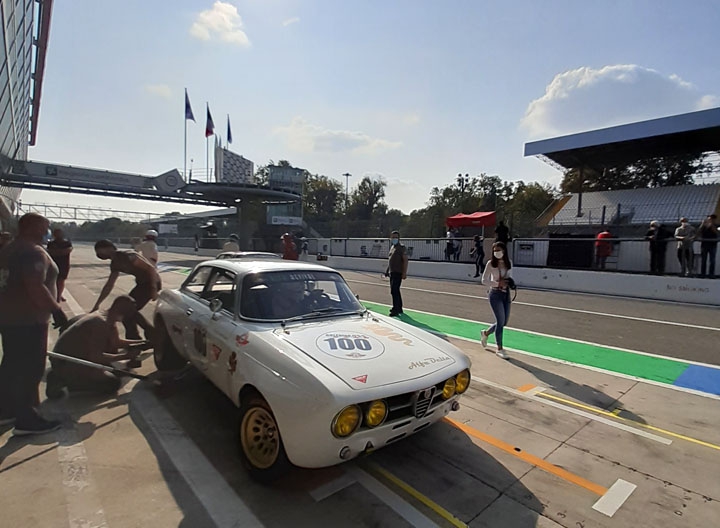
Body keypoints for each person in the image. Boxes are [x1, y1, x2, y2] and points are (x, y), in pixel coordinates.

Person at [0, 213, 67, 435]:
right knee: (30, 369)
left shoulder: (9, 249)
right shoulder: (32, 252)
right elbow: (35, 285)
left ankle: (6, 410)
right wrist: (56, 310)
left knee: (11, 365)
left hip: (9, 317)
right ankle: (27, 419)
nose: (47, 231)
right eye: (45, 226)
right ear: (33, 226)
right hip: (29, 318)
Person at [46, 296, 146, 397]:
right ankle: (63, 380)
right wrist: (126, 356)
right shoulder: (100, 323)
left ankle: (71, 375)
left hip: (77, 356)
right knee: (112, 383)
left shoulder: (108, 317)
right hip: (65, 362)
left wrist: (142, 343)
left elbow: (116, 342)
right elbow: (96, 357)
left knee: (115, 370)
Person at [92, 239, 161, 342]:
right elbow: (109, 285)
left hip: (152, 282)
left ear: (108, 248)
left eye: (99, 250)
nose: (99, 254)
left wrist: (153, 289)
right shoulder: (115, 264)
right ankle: (136, 338)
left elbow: (151, 269)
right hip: (141, 285)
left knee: (128, 310)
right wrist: (97, 304)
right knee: (127, 312)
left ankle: (151, 334)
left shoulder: (128, 255)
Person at [480, 241, 512, 359]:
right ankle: (499, 348)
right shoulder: (490, 263)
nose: (497, 252)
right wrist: (497, 283)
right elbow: (484, 280)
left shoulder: (509, 263)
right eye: (495, 250)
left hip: (506, 294)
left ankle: (486, 333)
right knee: (500, 321)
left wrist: (510, 283)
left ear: (504, 251)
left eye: (499, 250)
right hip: (495, 294)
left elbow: (510, 277)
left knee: (504, 322)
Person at [385, 230, 408, 317]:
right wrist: (387, 270)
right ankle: (399, 308)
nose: (394, 239)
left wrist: (404, 272)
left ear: (399, 238)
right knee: (395, 291)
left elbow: (405, 260)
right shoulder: (392, 247)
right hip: (392, 272)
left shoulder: (401, 248)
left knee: (394, 290)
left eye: (396, 237)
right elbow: (390, 260)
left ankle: (395, 309)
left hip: (398, 272)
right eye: (393, 237)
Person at [47, 228, 73, 301]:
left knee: (61, 281)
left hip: (63, 264)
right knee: (54, 280)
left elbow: (68, 250)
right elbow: (50, 252)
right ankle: (56, 295)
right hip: (53, 264)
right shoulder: (51, 243)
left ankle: (59, 295)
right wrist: (60, 252)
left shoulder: (67, 243)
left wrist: (57, 252)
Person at [698, 214, 718, 278]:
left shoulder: (717, 225)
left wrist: (712, 226)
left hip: (713, 245)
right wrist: (702, 225)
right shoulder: (704, 226)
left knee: (712, 260)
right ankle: (703, 273)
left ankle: (711, 274)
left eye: (711, 219)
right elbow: (698, 232)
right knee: (703, 260)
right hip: (704, 244)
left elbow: (717, 233)